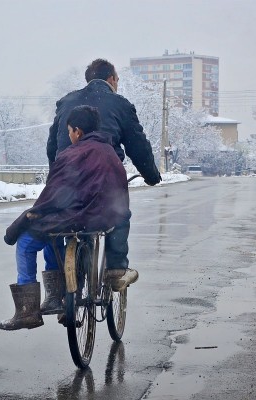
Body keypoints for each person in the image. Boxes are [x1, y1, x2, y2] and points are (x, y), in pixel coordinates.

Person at [0, 105, 131, 331]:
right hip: (106, 219)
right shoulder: (111, 153)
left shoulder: (72, 153)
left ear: (77, 131)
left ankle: (28, 311)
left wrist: (31, 215)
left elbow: (54, 195)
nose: (70, 136)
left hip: (78, 216)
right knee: (54, 234)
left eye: (70, 131)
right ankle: (59, 298)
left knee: (29, 241)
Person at [47, 58, 162, 292]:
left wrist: (55, 175)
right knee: (119, 210)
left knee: (67, 219)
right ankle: (116, 269)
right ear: (111, 79)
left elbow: (52, 146)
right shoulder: (120, 104)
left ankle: (65, 290)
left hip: (67, 177)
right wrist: (150, 175)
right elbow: (137, 146)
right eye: (117, 80)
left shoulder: (66, 101)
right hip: (102, 178)